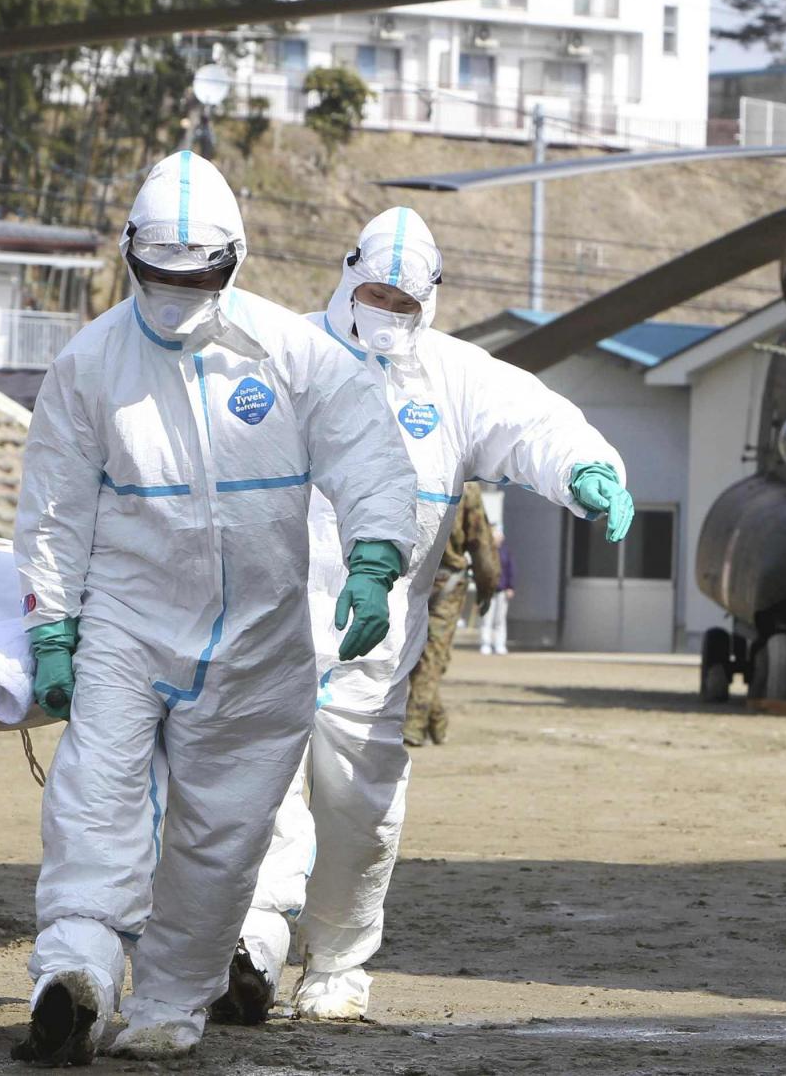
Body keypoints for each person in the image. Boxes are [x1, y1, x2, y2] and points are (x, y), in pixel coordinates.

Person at [10, 152, 417, 1065]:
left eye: (199, 277)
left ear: (235, 261)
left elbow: (368, 453)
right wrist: (51, 624)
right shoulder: (90, 367)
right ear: (131, 259)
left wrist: (375, 556)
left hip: (260, 642)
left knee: (222, 840)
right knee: (93, 801)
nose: (177, 293)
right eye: (160, 276)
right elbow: (52, 510)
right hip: (126, 625)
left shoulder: (298, 355)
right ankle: (72, 977)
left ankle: (166, 1006)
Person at [228, 206, 634, 1025]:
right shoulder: (278, 351)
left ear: (431, 302)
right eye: (375, 291)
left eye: (404, 302)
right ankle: (251, 947)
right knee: (251, 800)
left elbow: (534, 423)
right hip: (261, 631)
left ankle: (337, 967)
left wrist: (588, 467)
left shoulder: (455, 379)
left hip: (374, 651)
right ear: (347, 274)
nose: (386, 310)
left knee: (362, 816)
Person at [403, 484, 499, 747]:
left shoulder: (407, 470)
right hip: (443, 580)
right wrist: (487, 585)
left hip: (411, 577)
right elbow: (481, 540)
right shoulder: (467, 487)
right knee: (430, 654)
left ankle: (425, 721)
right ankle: (423, 722)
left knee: (422, 653)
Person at [477, 528, 516, 656]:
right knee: (487, 618)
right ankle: (485, 643)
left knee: (500, 619)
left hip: (502, 590)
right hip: (488, 590)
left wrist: (510, 587)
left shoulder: (506, 552)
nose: (497, 539)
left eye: (499, 537)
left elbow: (510, 570)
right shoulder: (486, 551)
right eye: (495, 537)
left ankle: (500, 644)